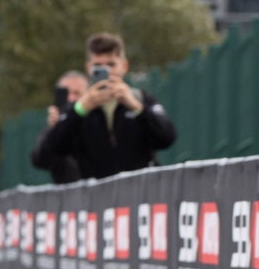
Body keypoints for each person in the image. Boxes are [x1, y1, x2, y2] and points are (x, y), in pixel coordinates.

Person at [40, 32, 176, 179]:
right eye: (98, 66)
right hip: (98, 196)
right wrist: (80, 110)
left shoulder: (141, 98)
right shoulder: (79, 108)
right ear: (88, 68)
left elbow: (166, 138)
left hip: (140, 193)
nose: (107, 71)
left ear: (124, 66)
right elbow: (54, 148)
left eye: (111, 64)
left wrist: (136, 106)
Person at [31, 70, 87, 184]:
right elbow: (40, 160)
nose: (71, 98)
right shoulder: (53, 130)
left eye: (77, 93)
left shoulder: (97, 123)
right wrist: (56, 130)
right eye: (66, 93)